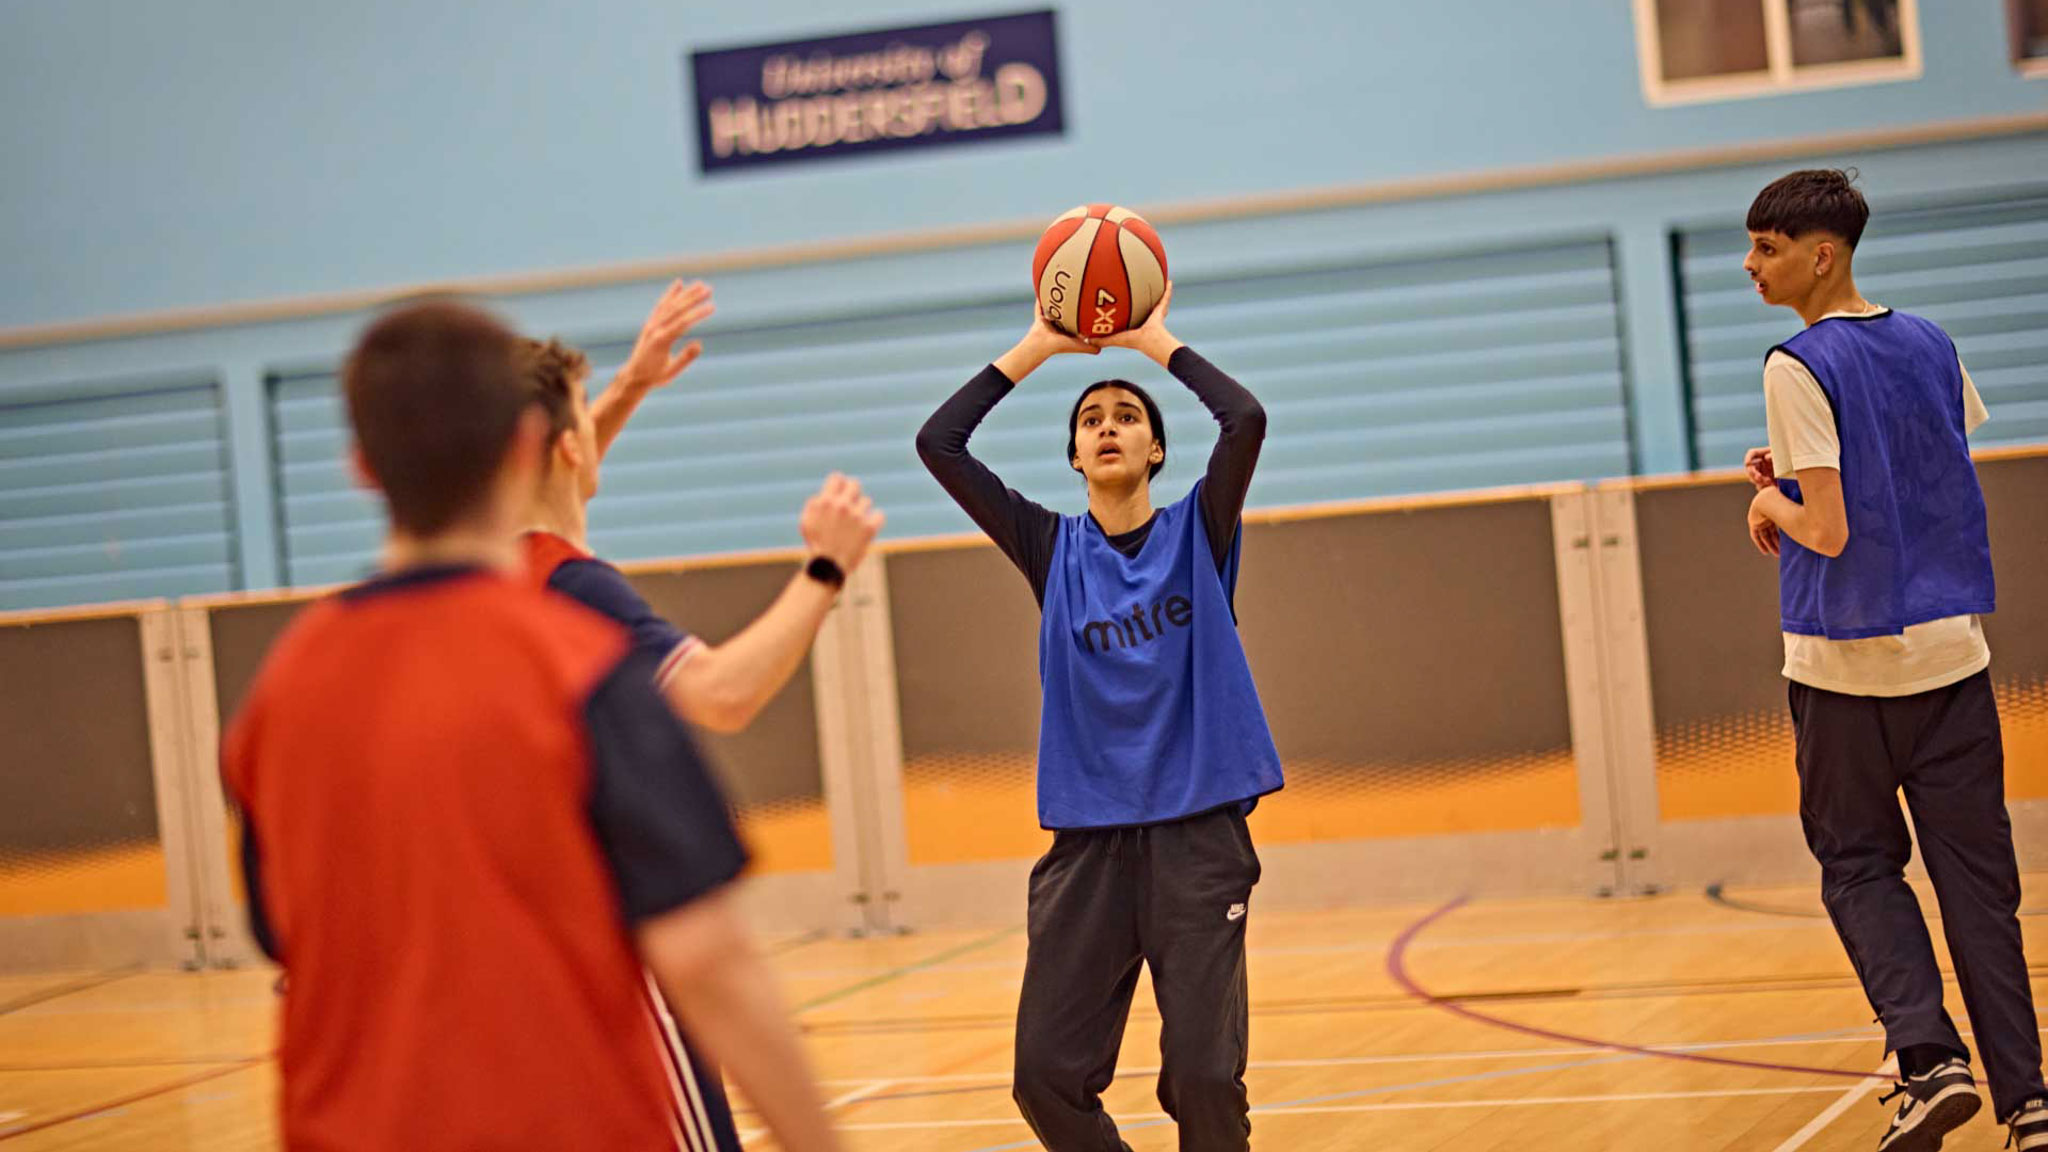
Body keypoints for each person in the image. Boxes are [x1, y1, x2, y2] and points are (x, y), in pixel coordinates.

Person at [221, 300, 841, 1151]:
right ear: (530, 445)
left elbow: (282, 939)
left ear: (363, 467)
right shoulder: (577, 666)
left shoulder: (279, 696)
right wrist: (825, 570)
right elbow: (706, 955)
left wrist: (623, 388)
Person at [916, 284, 1283, 1151]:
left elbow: (1247, 419)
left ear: (1156, 449)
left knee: (1200, 1078)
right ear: (1076, 455)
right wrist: (1039, 347)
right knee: (1045, 1079)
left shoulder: (1201, 530)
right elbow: (939, 443)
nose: (1107, 426)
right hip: (1088, 849)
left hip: (1197, 839)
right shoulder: (1051, 549)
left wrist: (1154, 344)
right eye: (1091, 420)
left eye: (1126, 416)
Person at [516, 281, 881, 1150]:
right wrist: (824, 572)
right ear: (566, 448)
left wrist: (628, 388)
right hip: (619, 965)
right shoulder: (579, 589)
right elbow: (722, 693)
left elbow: (551, 477)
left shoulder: (490, 570)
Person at [1738, 168, 2047, 1152]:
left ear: (1817, 252)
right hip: (1951, 661)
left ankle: (1927, 1059)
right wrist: (1787, 470)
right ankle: (2028, 1102)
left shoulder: (1794, 365)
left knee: (1859, 866)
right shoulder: (1932, 344)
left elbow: (1824, 528)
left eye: (1764, 247)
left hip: (1844, 675)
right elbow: (1919, 470)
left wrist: (1767, 502)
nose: (1749, 266)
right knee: (1977, 887)